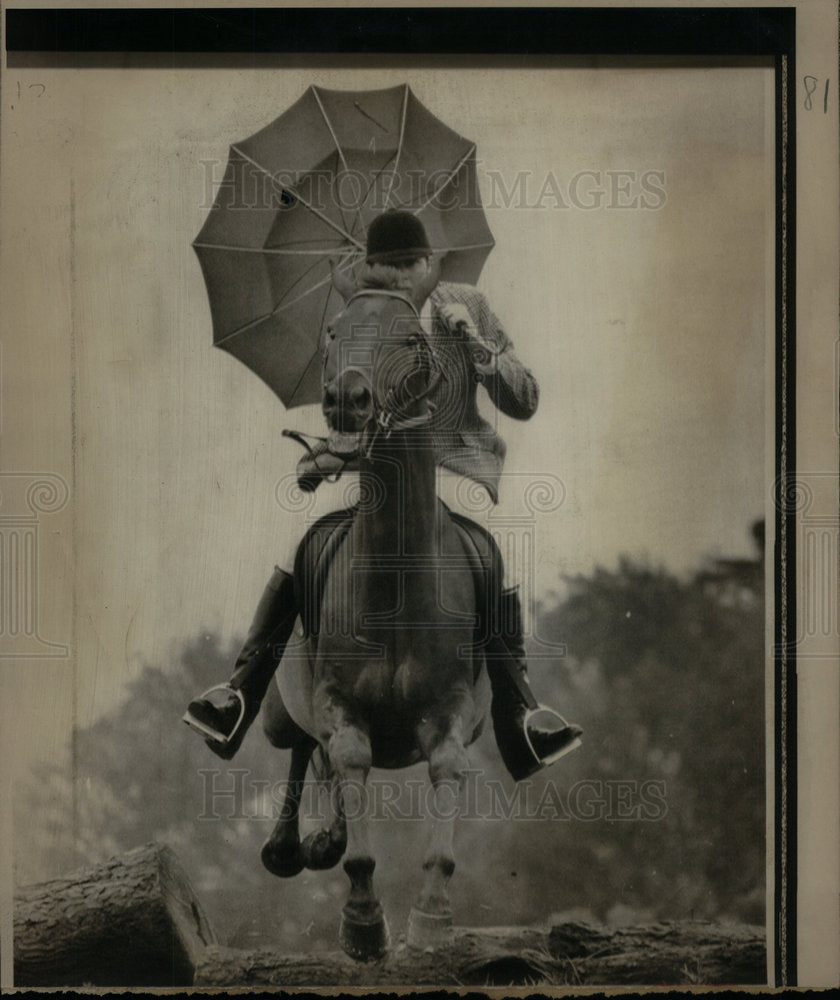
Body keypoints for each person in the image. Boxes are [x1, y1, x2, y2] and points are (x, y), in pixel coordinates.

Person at [184, 210, 582, 781]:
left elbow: (526, 399)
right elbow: (345, 410)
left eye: (407, 265)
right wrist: (328, 453)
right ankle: (237, 695)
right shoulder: (356, 316)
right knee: (297, 549)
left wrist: (474, 346)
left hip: (447, 476)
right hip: (373, 486)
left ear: (429, 265)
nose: (397, 277)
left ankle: (523, 713)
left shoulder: (465, 304)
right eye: (385, 266)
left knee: (492, 561)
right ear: (368, 267)